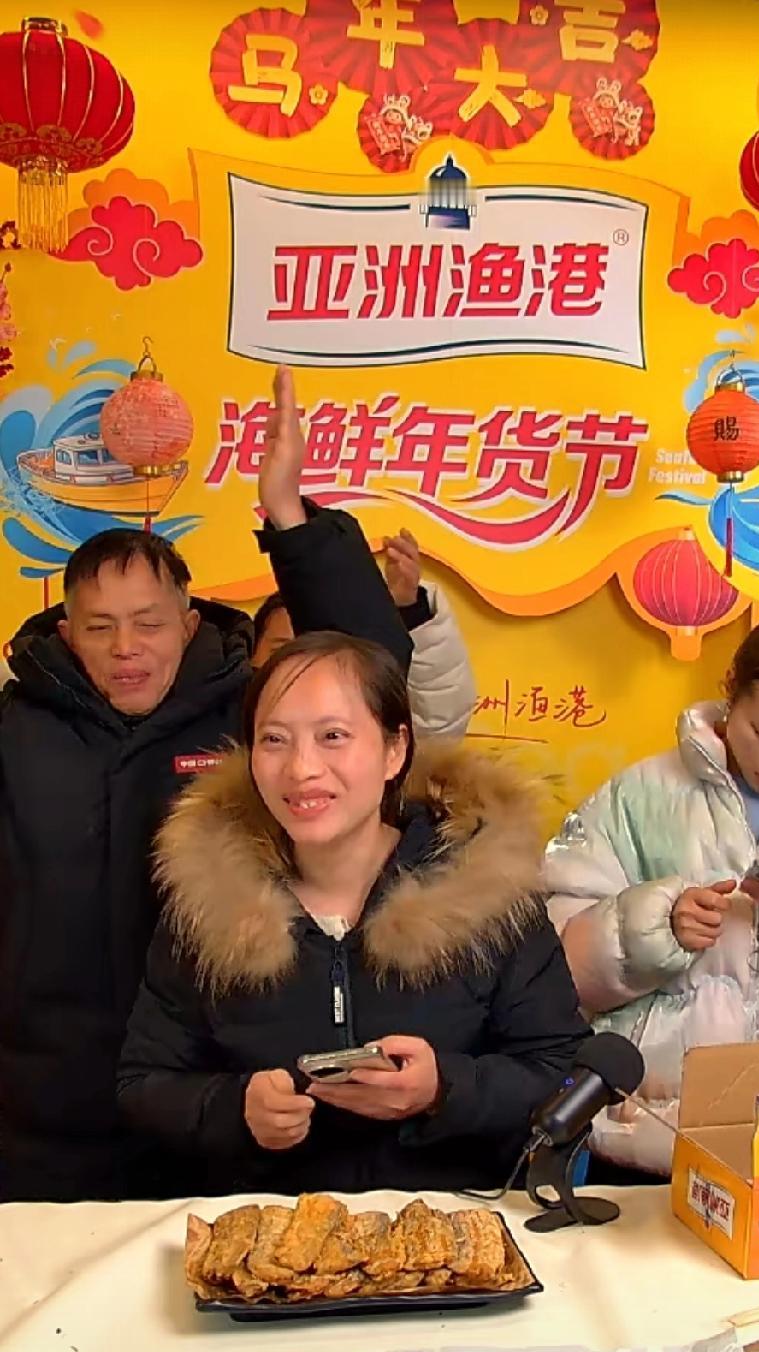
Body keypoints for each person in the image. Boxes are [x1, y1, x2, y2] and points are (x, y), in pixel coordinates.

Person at [0, 367, 434, 1202]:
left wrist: (288, 516)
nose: (127, 647)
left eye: (149, 623)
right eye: (100, 627)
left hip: (216, 1097)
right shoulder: (17, 729)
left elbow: (371, 663)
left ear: (189, 622)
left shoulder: (249, 716)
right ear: (67, 633)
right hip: (41, 1106)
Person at [118, 632, 589, 1194]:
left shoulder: (488, 890)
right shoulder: (207, 901)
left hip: (450, 1228)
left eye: (333, 736)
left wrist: (444, 1089)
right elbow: (143, 1084)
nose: (301, 769)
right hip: (273, 1232)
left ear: (395, 750)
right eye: (274, 740)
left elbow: (563, 1069)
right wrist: (236, 1109)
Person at [545, 588, 759, 1176]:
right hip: (649, 1129)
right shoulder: (636, 797)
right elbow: (551, 968)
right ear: (732, 689)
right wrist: (656, 928)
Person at [253, 527, 477, 739]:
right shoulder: (235, 722)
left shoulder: (370, 736)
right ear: (252, 655)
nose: (300, 671)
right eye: (282, 652)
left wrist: (404, 613)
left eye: (319, 658)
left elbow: (436, 725)